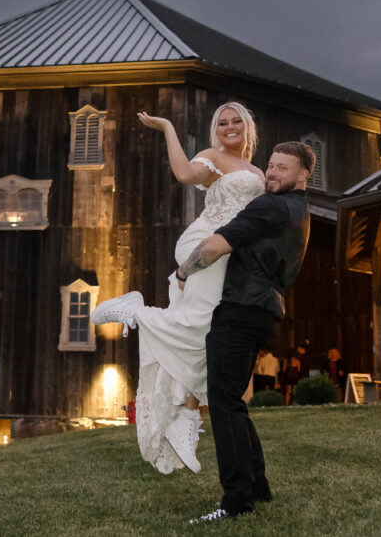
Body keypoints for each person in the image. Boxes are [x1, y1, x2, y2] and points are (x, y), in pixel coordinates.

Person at [90, 102, 264, 474]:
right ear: (215, 130)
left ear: (248, 127)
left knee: (208, 330)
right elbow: (185, 174)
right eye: (222, 123)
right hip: (203, 244)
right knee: (201, 322)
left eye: (236, 122)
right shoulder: (212, 157)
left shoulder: (256, 170)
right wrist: (168, 126)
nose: (229, 127)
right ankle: (135, 311)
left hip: (228, 254)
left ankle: (186, 413)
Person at [177, 141, 314, 524]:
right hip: (265, 310)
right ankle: (258, 487)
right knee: (232, 400)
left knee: (222, 402)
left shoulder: (269, 206)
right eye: (270, 165)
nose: (271, 173)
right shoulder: (300, 210)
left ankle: (236, 501)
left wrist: (184, 271)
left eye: (282, 168)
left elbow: (217, 245)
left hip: (240, 309)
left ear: (303, 174)